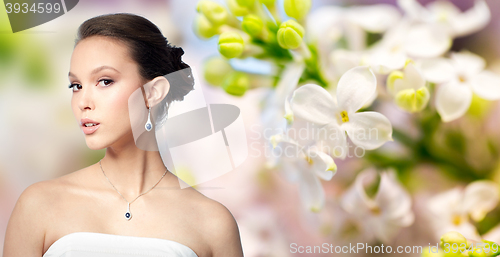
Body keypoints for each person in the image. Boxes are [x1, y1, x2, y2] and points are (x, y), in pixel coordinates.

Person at [3, 13, 244, 257]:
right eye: (76, 86)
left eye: (105, 81)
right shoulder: (39, 204)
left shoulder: (212, 223)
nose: (83, 102)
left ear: (153, 92)